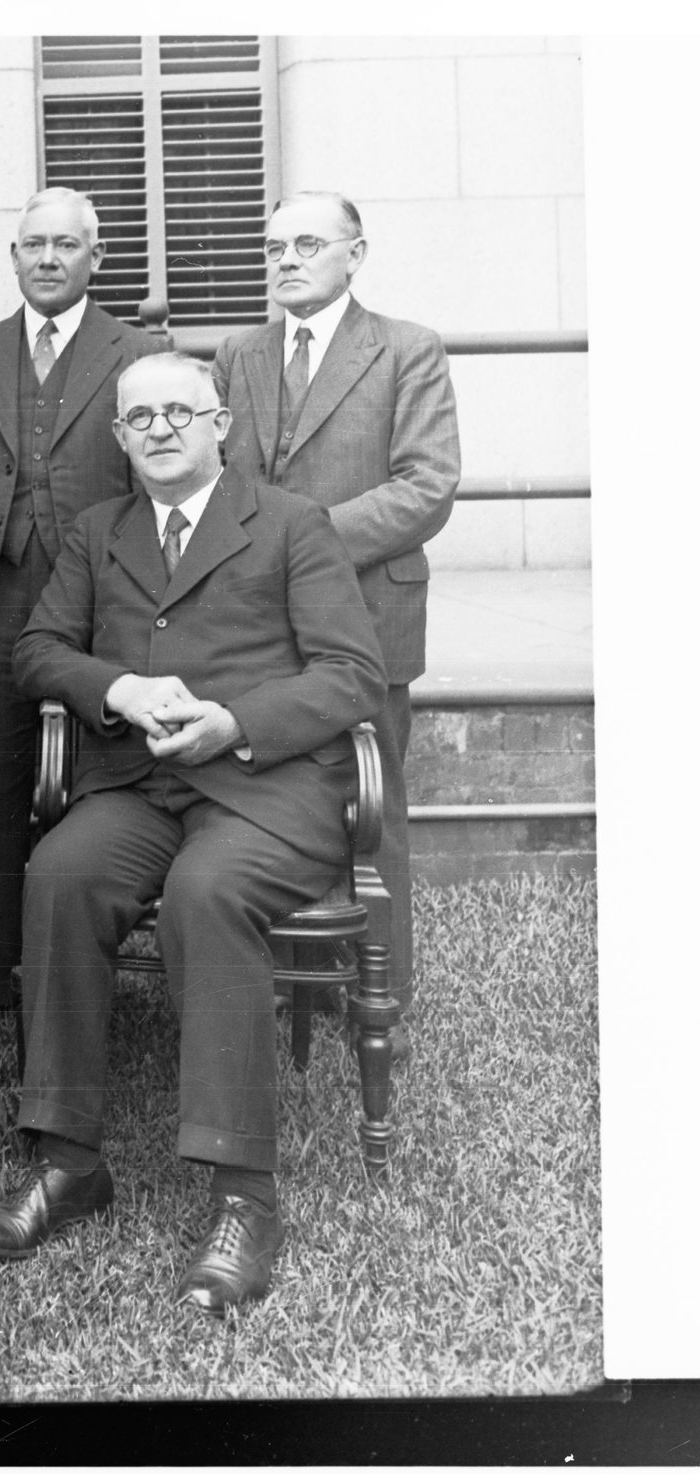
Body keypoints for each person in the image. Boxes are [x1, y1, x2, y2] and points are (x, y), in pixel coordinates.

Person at [0, 353, 384, 1313]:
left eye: (178, 413)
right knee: (60, 873)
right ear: (118, 438)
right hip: (139, 784)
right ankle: (69, 1163)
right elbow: (36, 649)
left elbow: (352, 673)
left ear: (220, 423)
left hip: (261, 787)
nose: (158, 429)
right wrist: (117, 688)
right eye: (138, 417)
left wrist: (238, 721)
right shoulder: (99, 532)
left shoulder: (290, 524)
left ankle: (245, 1196)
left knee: (208, 892)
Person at [0, 187, 160, 1023]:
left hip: (103, 599)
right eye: (32, 245)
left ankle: (82, 980)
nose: (47, 259)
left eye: (65, 245)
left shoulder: (137, 352)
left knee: (105, 779)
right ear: (13, 258)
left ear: (97, 256)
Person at [213, 191, 460, 1020]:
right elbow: (217, 487)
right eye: (274, 246)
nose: (286, 260)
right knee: (272, 797)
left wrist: (302, 546)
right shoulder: (238, 355)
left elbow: (427, 486)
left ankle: (379, 991)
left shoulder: (405, 350)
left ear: (355, 255)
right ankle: (287, 982)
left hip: (366, 616)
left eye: (308, 244)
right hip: (259, 625)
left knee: (371, 803)